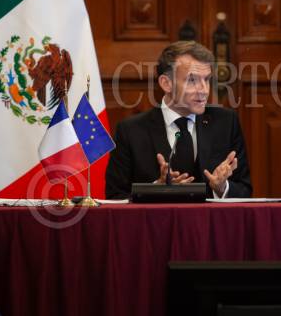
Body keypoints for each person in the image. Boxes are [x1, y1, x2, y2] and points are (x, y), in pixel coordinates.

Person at [105, 41, 252, 199]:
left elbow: (244, 190)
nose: (204, 90)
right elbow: (115, 196)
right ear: (166, 84)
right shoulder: (131, 131)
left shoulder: (226, 123)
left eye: (207, 79)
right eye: (192, 80)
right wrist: (154, 190)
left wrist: (222, 187)